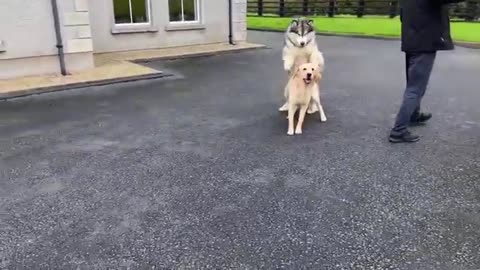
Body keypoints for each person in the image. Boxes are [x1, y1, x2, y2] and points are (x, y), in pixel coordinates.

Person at [389, 0, 465, 143]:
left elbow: (402, 16)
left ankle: (414, 114)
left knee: (413, 83)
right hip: (425, 43)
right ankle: (398, 131)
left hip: (411, 41)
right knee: (415, 88)